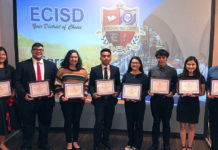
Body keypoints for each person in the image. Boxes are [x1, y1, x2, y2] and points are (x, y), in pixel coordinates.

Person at [14, 43, 58, 150]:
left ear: (43, 51)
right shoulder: (22, 65)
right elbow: (16, 82)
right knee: (28, 124)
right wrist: (24, 94)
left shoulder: (51, 65)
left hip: (46, 101)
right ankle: (27, 144)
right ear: (31, 51)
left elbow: (56, 81)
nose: (38, 51)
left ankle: (43, 143)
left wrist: (52, 90)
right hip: (28, 101)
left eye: (40, 49)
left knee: (45, 123)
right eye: (36, 49)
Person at [55, 50, 88, 150]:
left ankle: (75, 141)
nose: (74, 59)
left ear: (78, 59)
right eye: (71, 57)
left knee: (76, 121)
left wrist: (85, 94)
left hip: (79, 101)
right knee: (68, 121)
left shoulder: (83, 71)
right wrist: (61, 96)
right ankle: (69, 141)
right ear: (68, 58)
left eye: (75, 57)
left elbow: (86, 85)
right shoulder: (62, 70)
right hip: (66, 101)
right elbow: (57, 84)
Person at [89, 48, 121, 150]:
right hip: (99, 101)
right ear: (100, 57)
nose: (106, 58)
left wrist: (117, 91)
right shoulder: (94, 69)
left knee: (108, 122)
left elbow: (118, 84)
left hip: (111, 101)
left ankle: (105, 140)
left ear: (110, 57)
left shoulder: (116, 69)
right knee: (98, 122)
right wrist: (93, 93)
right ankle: (96, 143)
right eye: (104, 56)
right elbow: (91, 85)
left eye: (108, 56)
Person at [148, 49, 177, 150]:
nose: (161, 59)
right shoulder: (152, 70)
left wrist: (172, 93)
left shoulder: (172, 71)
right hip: (155, 100)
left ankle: (166, 144)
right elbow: (149, 85)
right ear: (156, 58)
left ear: (166, 58)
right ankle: (154, 144)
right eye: (159, 57)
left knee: (166, 123)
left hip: (167, 101)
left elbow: (175, 86)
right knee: (156, 122)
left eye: (163, 57)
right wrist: (149, 91)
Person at [176, 56, 205, 150]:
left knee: (192, 126)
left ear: (196, 65)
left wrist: (195, 95)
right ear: (185, 65)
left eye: (193, 64)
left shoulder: (200, 77)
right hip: (183, 103)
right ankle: (183, 146)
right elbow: (177, 90)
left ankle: (190, 147)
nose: (191, 66)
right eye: (188, 64)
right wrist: (181, 93)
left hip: (194, 104)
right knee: (182, 125)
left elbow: (202, 92)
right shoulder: (180, 76)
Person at [122, 56, 148, 150]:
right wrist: (126, 98)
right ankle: (130, 142)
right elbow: (123, 89)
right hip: (128, 105)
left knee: (139, 124)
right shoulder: (126, 75)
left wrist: (139, 97)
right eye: (133, 63)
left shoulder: (144, 77)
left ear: (140, 64)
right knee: (129, 124)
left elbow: (146, 91)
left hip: (139, 105)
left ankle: (137, 144)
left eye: (136, 63)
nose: (135, 64)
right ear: (130, 64)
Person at [0, 47, 19, 150]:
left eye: (3, 54)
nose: (1, 56)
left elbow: (15, 82)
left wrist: (14, 92)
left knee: (3, 122)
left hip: (6, 100)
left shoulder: (10, 68)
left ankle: (1, 143)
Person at [206, 65, 218, 150]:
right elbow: (207, 85)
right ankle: (214, 147)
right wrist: (208, 92)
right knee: (214, 126)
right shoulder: (212, 70)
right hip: (214, 102)